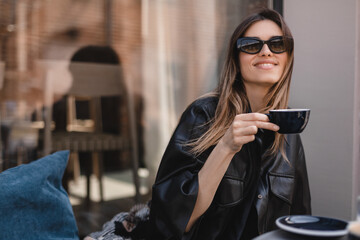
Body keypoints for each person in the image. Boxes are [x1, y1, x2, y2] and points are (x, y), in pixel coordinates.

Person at [86, 8, 311, 240]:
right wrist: (225, 147)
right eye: (252, 45)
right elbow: (174, 222)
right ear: (236, 59)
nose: (266, 51)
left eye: (277, 44)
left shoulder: (289, 130)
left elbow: (301, 221)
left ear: (288, 56)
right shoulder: (203, 114)